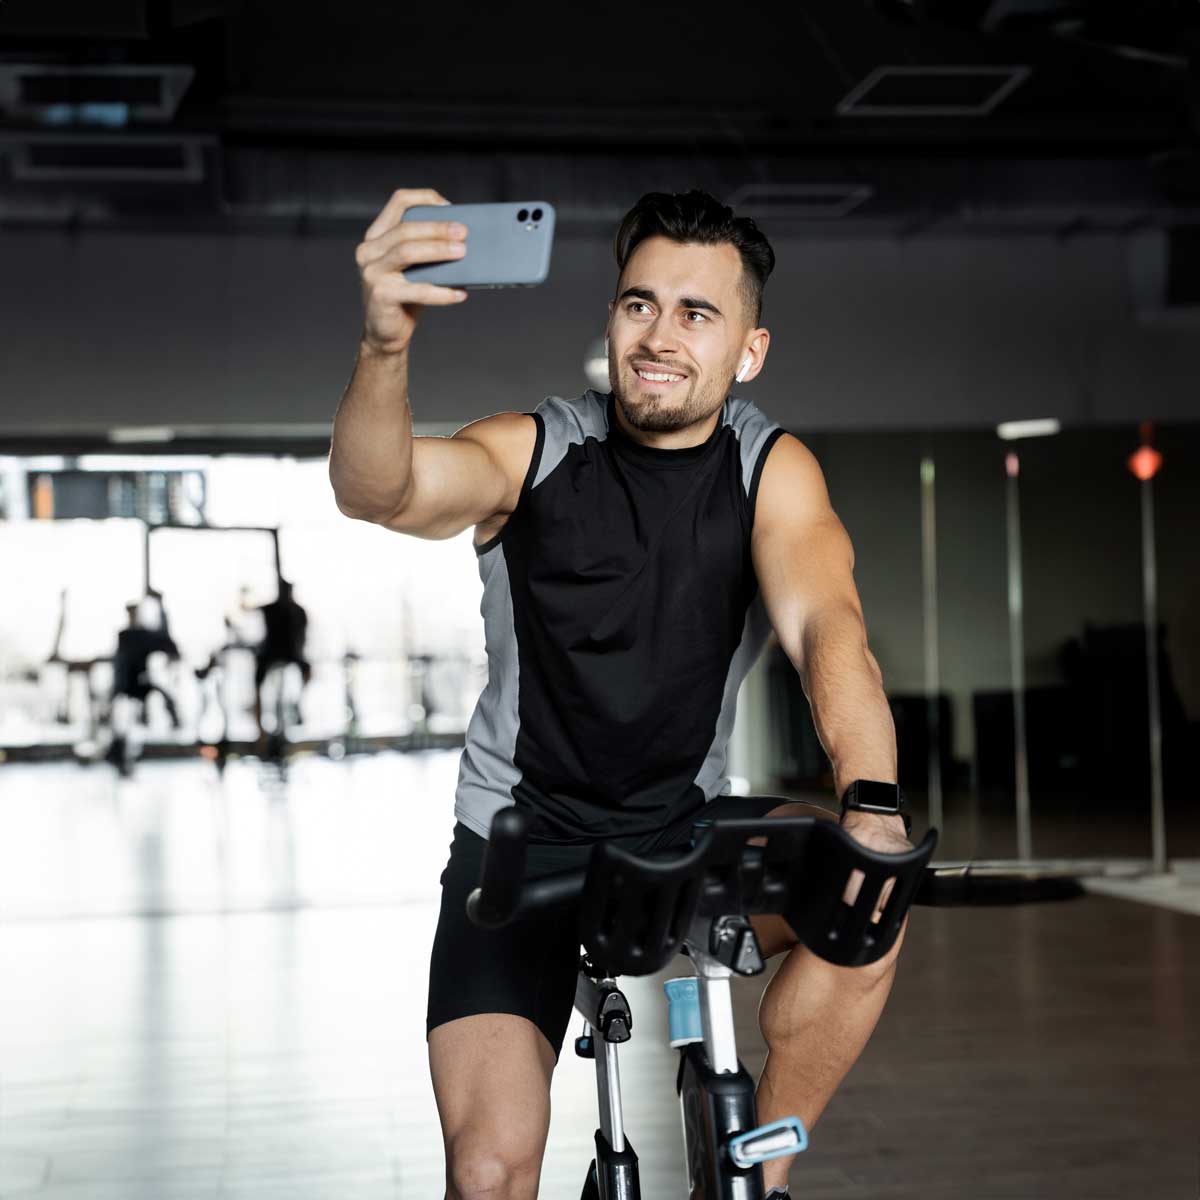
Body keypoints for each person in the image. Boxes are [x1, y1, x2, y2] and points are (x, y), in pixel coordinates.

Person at [329, 187, 914, 1200]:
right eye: (639, 303)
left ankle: (759, 1171)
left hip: (678, 833)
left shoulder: (767, 471)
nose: (661, 334)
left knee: (870, 896)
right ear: (610, 320)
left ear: (750, 349)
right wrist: (384, 348)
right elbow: (378, 490)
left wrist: (870, 799)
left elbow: (831, 630)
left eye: (698, 313)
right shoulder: (535, 450)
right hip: (520, 846)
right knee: (488, 1170)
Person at [107, 599, 181, 772]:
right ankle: (119, 753)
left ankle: (174, 721)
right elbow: (119, 664)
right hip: (125, 688)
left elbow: (167, 642)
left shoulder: (143, 636)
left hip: (139, 686)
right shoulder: (125, 636)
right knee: (123, 725)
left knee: (132, 722)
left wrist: (162, 608)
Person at [252, 578, 312, 739]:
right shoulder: (272, 608)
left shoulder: (298, 611)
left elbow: (303, 636)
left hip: (289, 654)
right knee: (257, 684)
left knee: (308, 671)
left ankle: (298, 701)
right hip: (274, 654)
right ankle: (259, 725)